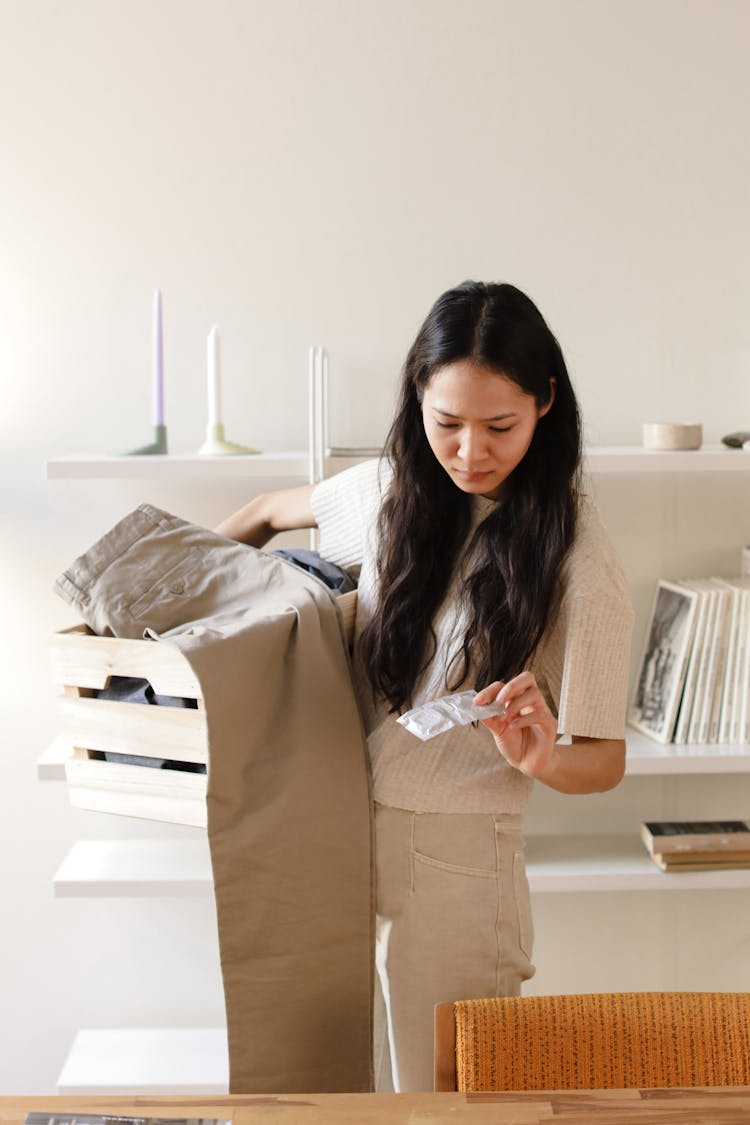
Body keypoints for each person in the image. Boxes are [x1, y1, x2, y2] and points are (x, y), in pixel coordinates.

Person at [215, 280, 633, 1092]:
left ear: (546, 403)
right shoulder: (387, 494)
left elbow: (605, 759)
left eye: (499, 426)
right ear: (417, 402)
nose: (471, 450)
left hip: (460, 868)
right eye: (447, 424)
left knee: (449, 1105)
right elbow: (267, 509)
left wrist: (542, 757)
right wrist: (179, 602)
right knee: (333, 1092)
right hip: (333, 841)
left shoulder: (581, 556)